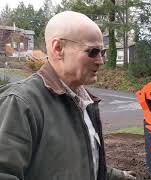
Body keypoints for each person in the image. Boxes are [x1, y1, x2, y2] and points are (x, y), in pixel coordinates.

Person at [0, 11, 136, 180]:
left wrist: (120, 176)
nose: (100, 60)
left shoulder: (85, 102)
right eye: (93, 51)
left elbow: (80, 164)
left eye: (103, 52)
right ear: (59, 48)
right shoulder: (20, 103)